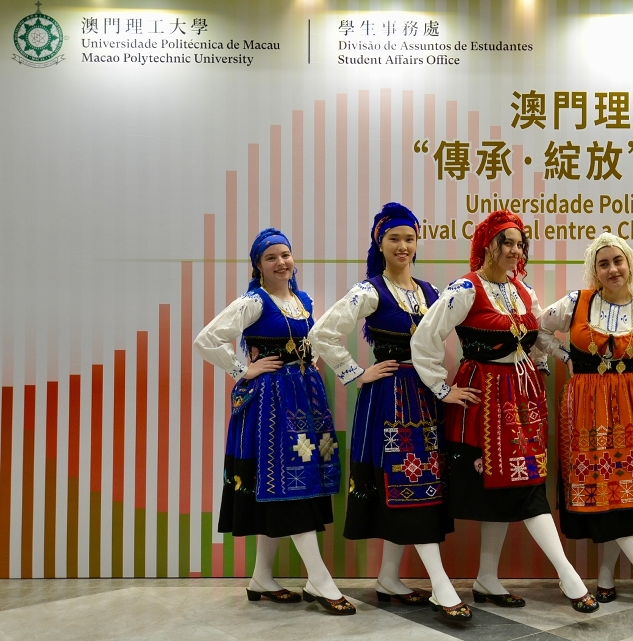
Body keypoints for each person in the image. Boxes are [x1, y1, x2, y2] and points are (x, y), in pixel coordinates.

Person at [410, 210, 598, 613]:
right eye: (506, 242)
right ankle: (568, 576)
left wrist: (554, 360)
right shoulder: (465, 288)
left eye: (519, 244)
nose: (515, 250)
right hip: (484, 400)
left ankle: (487, 577)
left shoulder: (522, 290)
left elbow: (534, 338)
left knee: (515, 484)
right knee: (519, 488)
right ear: (487, 245)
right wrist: (442, 389)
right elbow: (425, 338)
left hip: (522, 399)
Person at [309, 203, 470, 621]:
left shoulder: (430, 292)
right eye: (394, 238)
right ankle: (441, 586)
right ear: (379, 244)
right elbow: (322, 333)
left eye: (409, 239)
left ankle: (388, 578)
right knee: (408, 482)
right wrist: (357, 373)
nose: (403, 246)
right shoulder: (370, 291)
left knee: (419, 485)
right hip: (389, 399)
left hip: (426, 397)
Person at [194, 228, 352, 615]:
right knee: (288, 482)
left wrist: (309, 362)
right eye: (271, 257)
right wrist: (242, 370)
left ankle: (262, 577)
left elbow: (310, 343)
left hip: (304, 398)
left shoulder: (303, 300)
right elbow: (206, 339)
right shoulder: (253, 302)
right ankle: (319, 579)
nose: (281, 262)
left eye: (285, 255)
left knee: (288, 484)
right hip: (272, 404)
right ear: (258, 266)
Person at [538, 233, 633, 609]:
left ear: (629, 264)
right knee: (601, 486)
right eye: (603, 263)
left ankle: (607, 574)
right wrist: (564, 356)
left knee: (624, 490)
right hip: (584, 405)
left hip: (630, 405)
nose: (612, 269)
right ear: (595, 270)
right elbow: (538, 330)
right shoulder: (576, 302)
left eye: (617, 261)